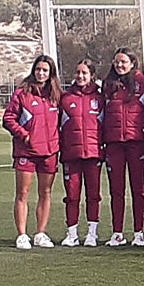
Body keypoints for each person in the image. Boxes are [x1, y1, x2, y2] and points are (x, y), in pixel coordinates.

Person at [3, 54, 62, 250]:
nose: (41, 73)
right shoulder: (22, 94)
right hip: (26, 152)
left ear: (50, 73)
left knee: (45, 192)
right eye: (38, 69)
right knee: (22, 193)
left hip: (49, 152)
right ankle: (22, 234)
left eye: (45, 70)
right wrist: (24, 134)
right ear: (33, 70)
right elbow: (8, 118)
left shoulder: (56, 95)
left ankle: (40, 233)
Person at [102, 48, 144, 247]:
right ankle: (117, 232)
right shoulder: (108, 85)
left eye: (123, 62)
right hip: (114, 144)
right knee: (116, 190)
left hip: (136, 143)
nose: (119, 65)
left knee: (138, 189)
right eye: (116, 62)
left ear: (133, 63)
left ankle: (139, 232)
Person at [58, 59, 102, 247]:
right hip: (71, 155)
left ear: (92, 75)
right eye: (78, 72)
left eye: (84, 73)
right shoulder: (66, 98)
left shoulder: (100, 99)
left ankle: (92, 234)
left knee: (93, 195)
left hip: (93, 154)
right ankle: (72, 233)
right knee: (72, 196)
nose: (80, 76)